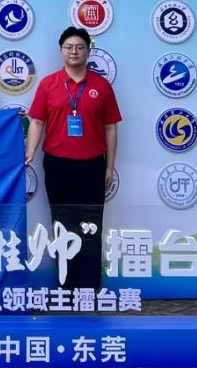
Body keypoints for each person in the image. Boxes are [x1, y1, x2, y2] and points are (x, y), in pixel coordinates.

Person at [24, 26, 121, 291]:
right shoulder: (48, 84)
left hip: (92, 165)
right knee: (62, 225)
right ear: (61, 52)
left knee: (91, 225)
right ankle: (66, 288)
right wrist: (30, 152)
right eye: (69, 47)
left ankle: (90, 286)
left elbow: (110, 127)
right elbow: (37, 122)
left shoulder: (101, 86)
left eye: (80, 47)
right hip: (58, 165)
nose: (74, 52)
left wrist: (109, 166)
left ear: (88, 52)